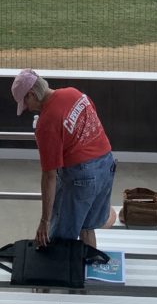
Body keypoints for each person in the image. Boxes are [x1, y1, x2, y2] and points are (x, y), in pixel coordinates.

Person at [11, 69, 115, 248]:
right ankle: (87, 270)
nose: (27, 108)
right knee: (87, 228)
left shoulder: (46, 123)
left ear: (32, 94)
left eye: (25, 102)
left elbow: (49, 176)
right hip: (106, 165)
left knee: (60, 239)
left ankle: (58, 275)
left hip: (81, 177)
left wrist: (45, 221)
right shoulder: (73, 93)